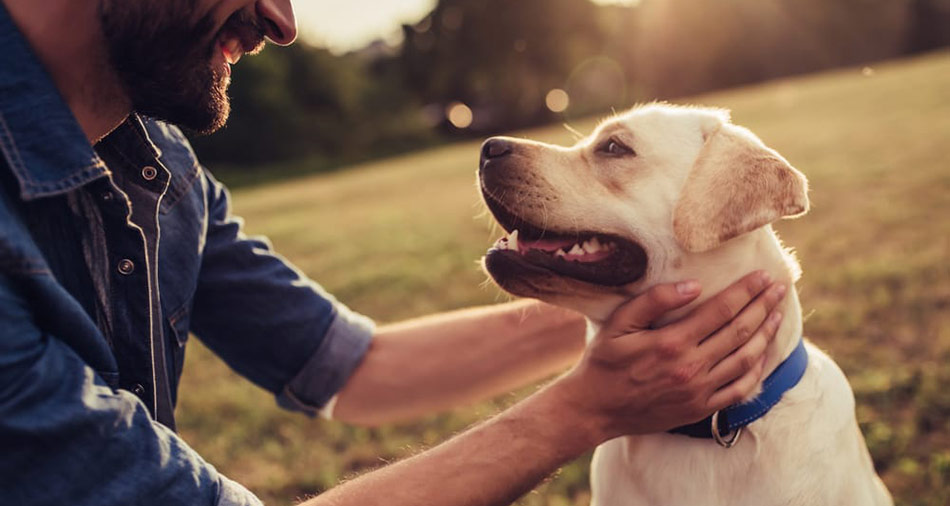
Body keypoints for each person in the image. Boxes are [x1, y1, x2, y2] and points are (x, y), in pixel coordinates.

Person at [0, 1, 787, 505]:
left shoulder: (159, 167)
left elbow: (355, 366)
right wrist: (583, 408)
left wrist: (666, 306)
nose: (281, 20)